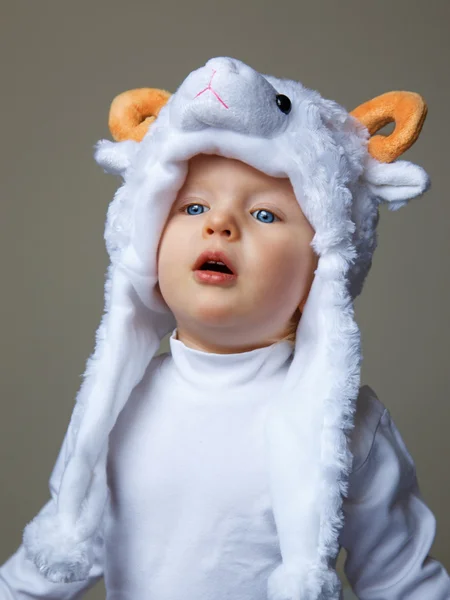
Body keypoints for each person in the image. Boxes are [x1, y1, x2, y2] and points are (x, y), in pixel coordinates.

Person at [1, 56, 449, 600]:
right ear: (146, 240)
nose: (219, 224)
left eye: (264, 215)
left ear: (322, 267)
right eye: (192, 206)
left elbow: (404, 584)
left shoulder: (347, 426)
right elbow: (44, 567)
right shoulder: (118, 405)